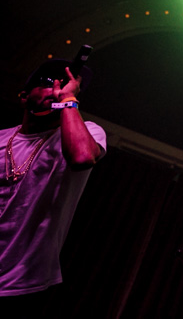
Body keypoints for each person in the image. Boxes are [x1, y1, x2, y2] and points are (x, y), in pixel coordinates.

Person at [0, 57, 106, 313]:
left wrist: (68, 101)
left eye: (67, 84)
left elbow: (82, 157)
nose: (58, 89)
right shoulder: (2, 138)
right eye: (49, 83)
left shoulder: (89, 131)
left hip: (23, 283)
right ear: (24, 96)